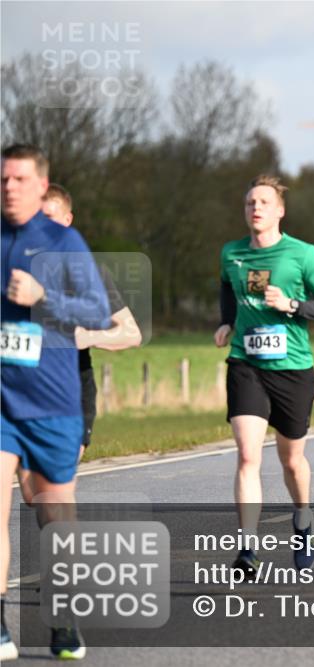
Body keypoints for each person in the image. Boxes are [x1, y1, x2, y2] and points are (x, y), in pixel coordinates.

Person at [2, 144, 112, 660]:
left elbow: (97, 311)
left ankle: (63, 618)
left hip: (53, 402)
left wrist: (42, 298)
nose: (9, 187)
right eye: (3, 179)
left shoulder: (65, 243)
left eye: (20, 179)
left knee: (55, 515)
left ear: (41, 186)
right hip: (2, 401)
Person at [214, 175, 314, 573]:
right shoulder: (231, 253)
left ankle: (303, 520)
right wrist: (227, 321)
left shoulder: (303, 254)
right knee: (248, 455)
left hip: (293, 370)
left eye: (264, 202)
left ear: (280, 210)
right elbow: (226, 290)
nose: (256, 208)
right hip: (246, 365)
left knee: (291, 461)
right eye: (250, 202)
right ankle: (247, 549)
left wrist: (291, 305)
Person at [16, 184, 142, 506]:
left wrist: (87, 337)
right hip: (17, 388)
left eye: (50, 218)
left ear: (68, 220)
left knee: (49, 495)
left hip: (68, 391)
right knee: (31, 495)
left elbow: (131, 332)